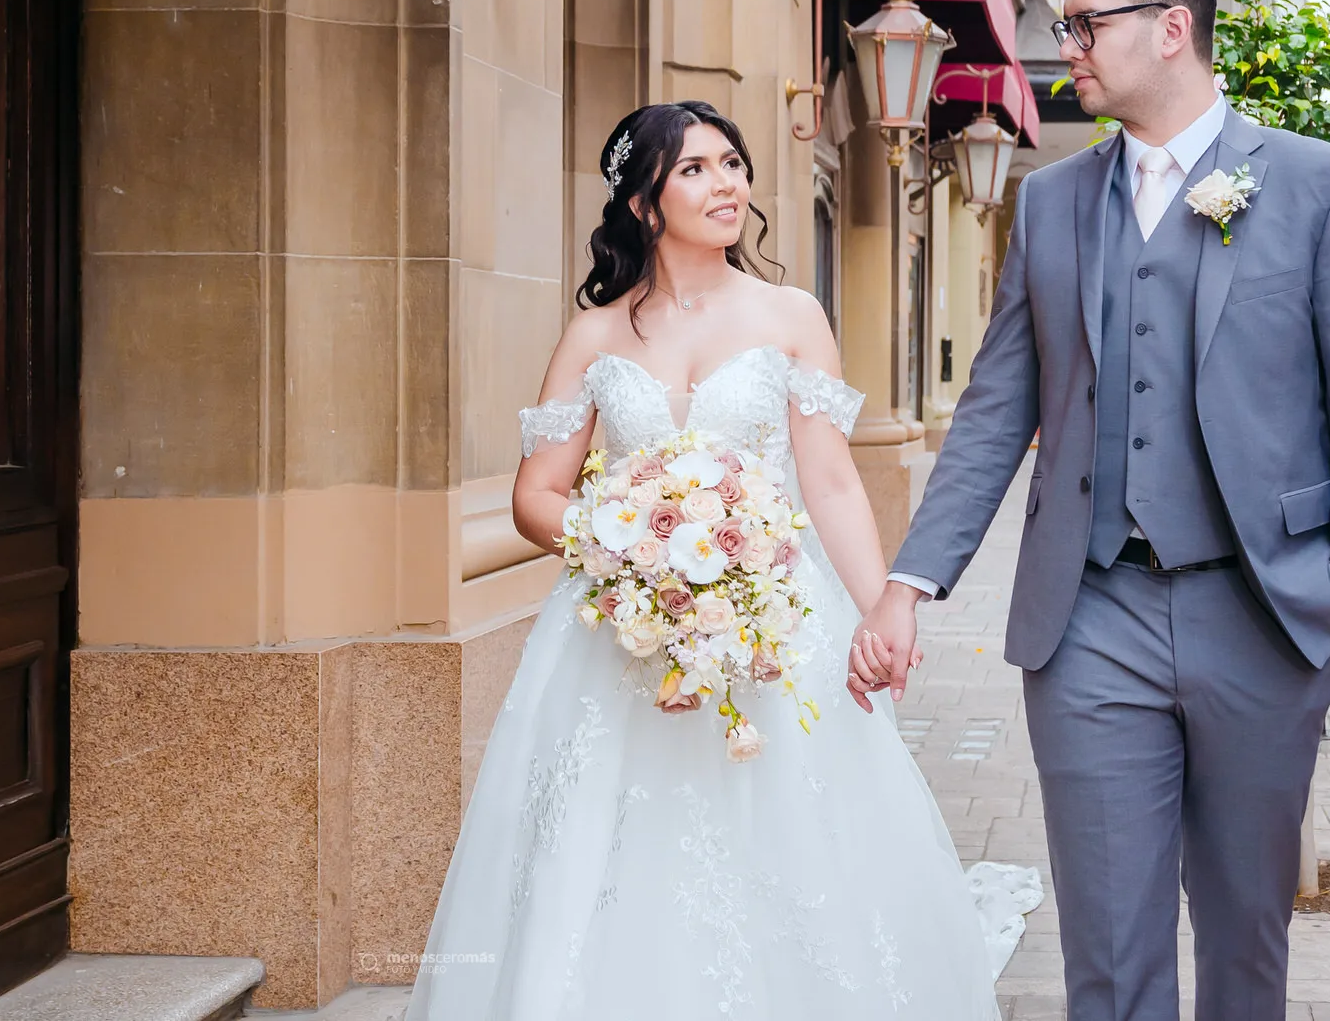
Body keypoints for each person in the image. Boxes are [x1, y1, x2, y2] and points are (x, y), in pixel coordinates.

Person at [851, 0, 1330, 1021]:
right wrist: (908, 582)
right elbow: (993, 411)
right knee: (1106, 946)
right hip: (1089, 613)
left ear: (1172, 28)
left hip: (1261, 611)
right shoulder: (1055, 202)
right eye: (1065, 25)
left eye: (1085, 23)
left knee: (1246, 934)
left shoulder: (1316, 185)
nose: (1067, 46)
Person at [407, 100, 1033, 1021]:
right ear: (642, 204)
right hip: (620, 635)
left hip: (776, 622)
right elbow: (536, 494)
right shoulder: (595, 333)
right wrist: (628, 546)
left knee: (788, 835)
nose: (727, 182)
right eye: (695, 168)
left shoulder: (791, 315)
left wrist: (881, 610)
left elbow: (829, 484)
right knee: (614, 845)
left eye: (733, 163)